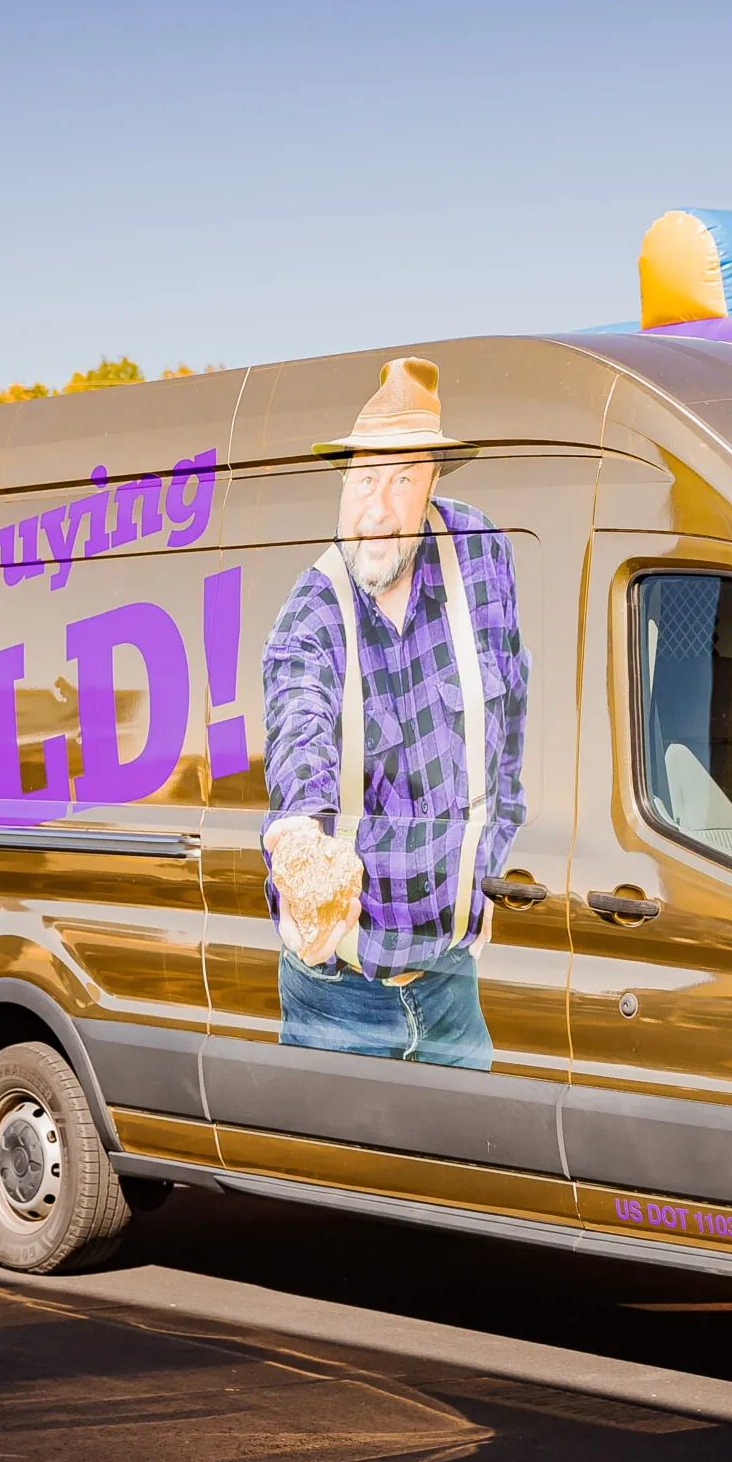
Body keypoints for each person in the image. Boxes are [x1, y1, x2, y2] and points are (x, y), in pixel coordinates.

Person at [260, 357, 528, 1070]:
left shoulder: (479, 556)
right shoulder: (311, 615)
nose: (376, 508)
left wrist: (489, 867)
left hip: (450, 985)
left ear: (434, 484)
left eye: (402, 478)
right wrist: (297, 848)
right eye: (363, 478)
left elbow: (511, 721)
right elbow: (298, 732)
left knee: (482, 1176)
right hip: (339, 1000)